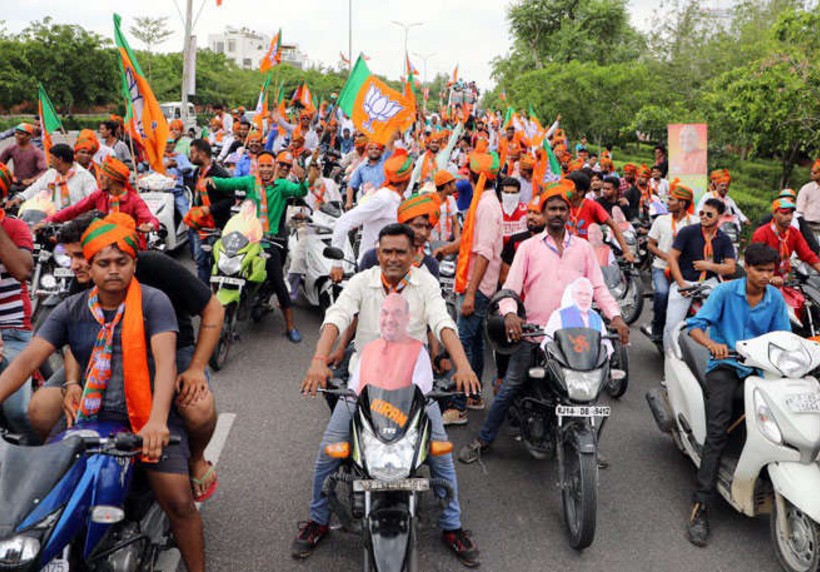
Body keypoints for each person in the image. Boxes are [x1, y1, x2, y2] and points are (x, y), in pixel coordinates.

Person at [0, 214, 205, 571]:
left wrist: (157, 422)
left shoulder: (154, 302)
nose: (113, 270)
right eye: (103, 263)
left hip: (148, 417)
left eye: (121, 262)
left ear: (133, 264)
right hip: (89, 419)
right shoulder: (70, 309)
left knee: (178, 502)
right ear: (89, 268)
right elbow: (24, 363)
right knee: (43, 503)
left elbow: (166, 361)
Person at [295, 223, 481, 567]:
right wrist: (319, 359)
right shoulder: (362, 281)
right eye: (387, 252)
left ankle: (452, 525)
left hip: (415, 387)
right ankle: (318, 520)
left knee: (439, 455)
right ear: (378, 253)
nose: (393, 258)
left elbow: (443, 322)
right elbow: (337, 315)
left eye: (400, 252)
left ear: (413, 255)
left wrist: (464, 365)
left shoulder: (425, 283)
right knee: (328, 453)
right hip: (363, 385)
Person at [26, 211, 223, 501]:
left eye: (82, 255)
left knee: (198, 407)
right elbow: (74, 336)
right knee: (41, 405)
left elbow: (214, 310)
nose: (77, 265)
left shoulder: (154, 267)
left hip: (169, 350)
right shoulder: (85, 275)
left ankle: (195, 459)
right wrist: (72, 383)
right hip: (101, 352)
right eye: (73, 257)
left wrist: (196, 368)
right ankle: (70, 470)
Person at [458, 184, 629, 464]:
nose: (558, 213)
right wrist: (511, 313)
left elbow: (599, 289)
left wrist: (616, 317)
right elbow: (510, 288)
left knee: (585, 393)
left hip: (574, 335)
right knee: (511, 384)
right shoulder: (528, 247)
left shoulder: (584, 248)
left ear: (569, 213)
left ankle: (588, 446)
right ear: (545, 213)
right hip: (534, 334)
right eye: (552, 208)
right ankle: (483, 439)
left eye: (562, 208)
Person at [685, 243, 789, 547]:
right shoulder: (724, 292)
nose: (766, 276)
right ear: (747, 266)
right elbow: (695, 326)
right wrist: (711, 344)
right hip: (725, 366)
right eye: (760, 270)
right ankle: (700, 506)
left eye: (771, 271)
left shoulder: (775, 299)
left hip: (758, 371)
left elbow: (781, 338)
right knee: (717, 432)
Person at [205, 150, 314, 342]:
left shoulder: (282, 186)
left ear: (274, 167)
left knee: (278, 281)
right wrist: (209, 179)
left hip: (269, 241)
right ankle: (217, 309)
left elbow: (301, 192)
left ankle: (290, 325)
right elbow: (227, 183)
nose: (265, 169)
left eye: (269, 166)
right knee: (219, 263)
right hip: (246, 238)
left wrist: (303, 179)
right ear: (258, 166)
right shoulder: (249, 182)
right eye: (262, 165)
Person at [663, 198, 737, 351]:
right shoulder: (688, 232)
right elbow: (672, 257)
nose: (703, 217)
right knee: (672, 325)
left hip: (709, 283)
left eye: (709, 215)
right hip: (685, 282)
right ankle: (669, 362)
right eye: (701, 213)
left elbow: (731, 268)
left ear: (719, 217)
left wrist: (708, 265)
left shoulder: (724, 239)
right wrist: (682, 284)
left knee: (724, 319)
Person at [331, 147, 413, 276]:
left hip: (394, 271)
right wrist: (337, 265)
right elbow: (343, 222)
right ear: (408, 179)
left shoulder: (400, 199)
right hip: (371, 271)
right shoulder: (384, 198)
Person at [42, 157, 159, 233]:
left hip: (128, 244)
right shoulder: (99, 195)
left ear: (113, 180)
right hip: (102, 241)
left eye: (102, 177)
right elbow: (75, 210)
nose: (99, 180)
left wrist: (150, 226)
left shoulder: (134, 200)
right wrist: (48, 220)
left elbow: (150, 219)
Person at [643, 181, 697, 344]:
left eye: (672, 199)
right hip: (661, 267)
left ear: (682, 203)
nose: (668, 202)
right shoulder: (661, 220)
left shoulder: (695, 223)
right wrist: (667, 257)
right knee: (662, 293)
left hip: (684, 271)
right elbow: (650, 244)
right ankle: (657, 328)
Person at [0, 204, 34, 440]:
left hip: (12, 329)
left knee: (19, 412)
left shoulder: (14, 227)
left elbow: (22, 269)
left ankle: (36, 461)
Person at [185, 139, 234, 284]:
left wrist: (210, 209)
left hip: (215, 227)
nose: (191, 156)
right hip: (199, 226)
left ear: (202, 154)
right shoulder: (197, 172)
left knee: (216, 263)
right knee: (200, 262)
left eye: (193, 153)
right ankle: (203, 293)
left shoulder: (220, 174)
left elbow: (231, 199)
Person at [358, 193, 441, 277]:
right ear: (403, 225)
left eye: (428, 227)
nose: (423, 233)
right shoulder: (373, 258)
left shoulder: (431, 265)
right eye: (418, 226)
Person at [564, 171, 636, 262]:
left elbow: (614, 226)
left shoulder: (592, 206)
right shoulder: (562, 205)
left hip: (588, 255)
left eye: (569, 187)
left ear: (580, 192)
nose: (565, 190)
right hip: (565, 253)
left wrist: (626, 252)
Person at [752, 197, 820, 284]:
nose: (789, 217)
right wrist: (769, 276)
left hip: (784, 278)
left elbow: (807, 255)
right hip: (762, 278)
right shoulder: (761, 233)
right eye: (785, 213)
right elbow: (756, 260)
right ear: (774, 213)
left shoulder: (794, 233)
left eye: (791, 213)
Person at [9, 143, 96, 209]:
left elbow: (94, 201)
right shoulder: (51, 173)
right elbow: (35, 188)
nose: (49, 161)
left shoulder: (85, 177)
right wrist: (19, 198)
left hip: (76, 223)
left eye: (51, 158)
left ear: (60, 159)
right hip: (53, 220)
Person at [0, 124, 47, 192]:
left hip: (31, 187)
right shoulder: (11, 149)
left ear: (29, 136)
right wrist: (9, 177)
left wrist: (32, 180)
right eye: (16, 133)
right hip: (15, 184)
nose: (17, 135)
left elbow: (44, 170)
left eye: (21, 134)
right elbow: (1, 164)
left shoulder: (37, 152)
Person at [346, 141, 392, 208]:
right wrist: (348, 203)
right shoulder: (361, 167)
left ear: (382, 152)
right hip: (367, 204)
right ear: (367, 152)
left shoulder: (386, 162)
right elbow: (351, 186)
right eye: (371, 149)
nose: (374, 151)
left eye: (377, 149)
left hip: (385, 203)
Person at [430, 169, 461, 243]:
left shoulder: (451, 199)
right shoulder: (430, 201)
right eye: (453, 184)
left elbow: (455, 223)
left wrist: (457, 241)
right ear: (447, 186)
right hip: (432, 243)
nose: (455, 187)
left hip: (446, 242)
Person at [500, 177, 528, 245]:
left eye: (513, 193)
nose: (509, 196)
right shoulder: (495, 209)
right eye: (506, 192)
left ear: (518, 193)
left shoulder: (526, 211)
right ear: (501, 193)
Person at [796, 158, 820, 234]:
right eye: (811, 172)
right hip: (809, 226)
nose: (812, 174)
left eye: (815, 172)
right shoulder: (806, 189)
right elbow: (799, 211)